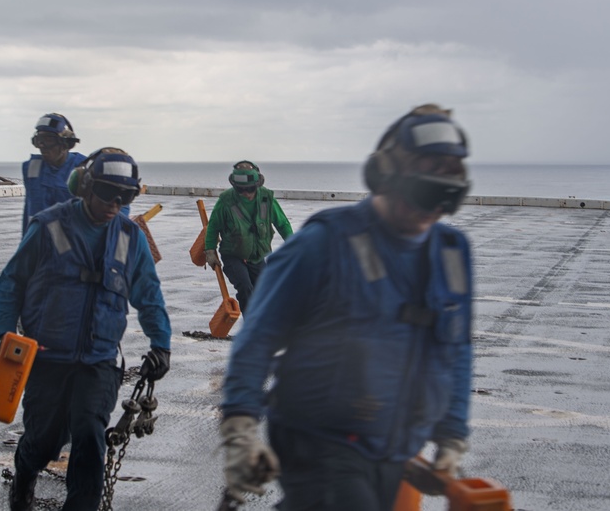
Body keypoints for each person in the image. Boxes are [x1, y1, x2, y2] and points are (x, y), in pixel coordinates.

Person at [218, 104, 475, 510]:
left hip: (393, 447)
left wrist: (452, 435)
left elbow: (456, 349)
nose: (429, 214)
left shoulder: (452, 254)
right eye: (422, 194)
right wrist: (239, 427)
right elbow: (257, 338)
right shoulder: (325, 244)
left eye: (444, 199)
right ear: (384, 176)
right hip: (319, 440)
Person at [0, 147, 172, 511]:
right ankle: (24, 476)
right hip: (46, 359)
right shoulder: (48, 226)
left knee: (91, 436)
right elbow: (12, 281)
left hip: (100, 360)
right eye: (108, 193)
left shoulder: (129, 237)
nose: (115, 203)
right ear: (85, 186)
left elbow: (149, 294)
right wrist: (6, 336)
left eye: (126, 196)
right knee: (44, 442)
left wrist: (161, 344)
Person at [203, 161, 294, 315]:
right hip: (233, 255)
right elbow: (213, 226)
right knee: (245, 287)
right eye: (241, 190)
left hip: (257, 256)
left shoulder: (266, 198)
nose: (246, 193)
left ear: (257, 184)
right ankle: (250, 328)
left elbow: (282, 224)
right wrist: (210, 250)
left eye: (250, 189)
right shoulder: (226, 200)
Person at [20, 113, 87, 237]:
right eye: (40, 140)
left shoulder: (84, 168)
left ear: (66, 143)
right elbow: (28, 212)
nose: (42, 146)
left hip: (72, 247)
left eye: (48, 140)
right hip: (36, 245)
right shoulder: (30, 168)